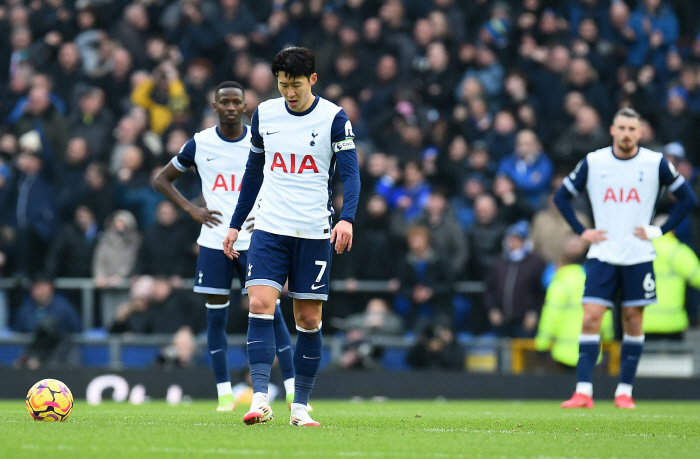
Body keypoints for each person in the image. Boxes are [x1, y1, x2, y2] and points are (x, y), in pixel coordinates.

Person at [223, 47, 360, 427]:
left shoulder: (334, 117)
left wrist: (346, 218)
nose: (290, 93)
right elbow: (253, 172)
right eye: (283, 85)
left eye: (296, 85)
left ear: (312, 80)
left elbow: (351, 173)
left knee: (308, 319)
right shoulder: (264, 114)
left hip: (314, 231)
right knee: (260, 304)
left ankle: (299, 406)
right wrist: (236, 223)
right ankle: (261, 398)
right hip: (270, 227)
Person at [154, 81, 297, 412]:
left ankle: (292, 390)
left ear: (246, 107)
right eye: (225, 102)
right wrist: (192, 209)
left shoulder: (260, 141)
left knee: (273, 313)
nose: (231, 107)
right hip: (214, 242)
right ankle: (224, 396)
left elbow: (284, 179)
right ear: (215, 107)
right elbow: (161, 179)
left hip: (257, 241)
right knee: (215, 319)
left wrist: (263, 212)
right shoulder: (201, 143)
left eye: (237, 102)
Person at [554, 107, 697, 409]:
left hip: (638, 254)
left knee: (633, 320)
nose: (627, 134)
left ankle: (624, 391)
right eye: (622, 128)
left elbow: (688, 199)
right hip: (603, 252)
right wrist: (582, 230)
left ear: (640, 133)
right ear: (612, 130)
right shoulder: (594, 162)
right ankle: (583, 391)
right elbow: (561, 197)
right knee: (591, 317)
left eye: (633, 129)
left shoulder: (655, 162)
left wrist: (660, 230)